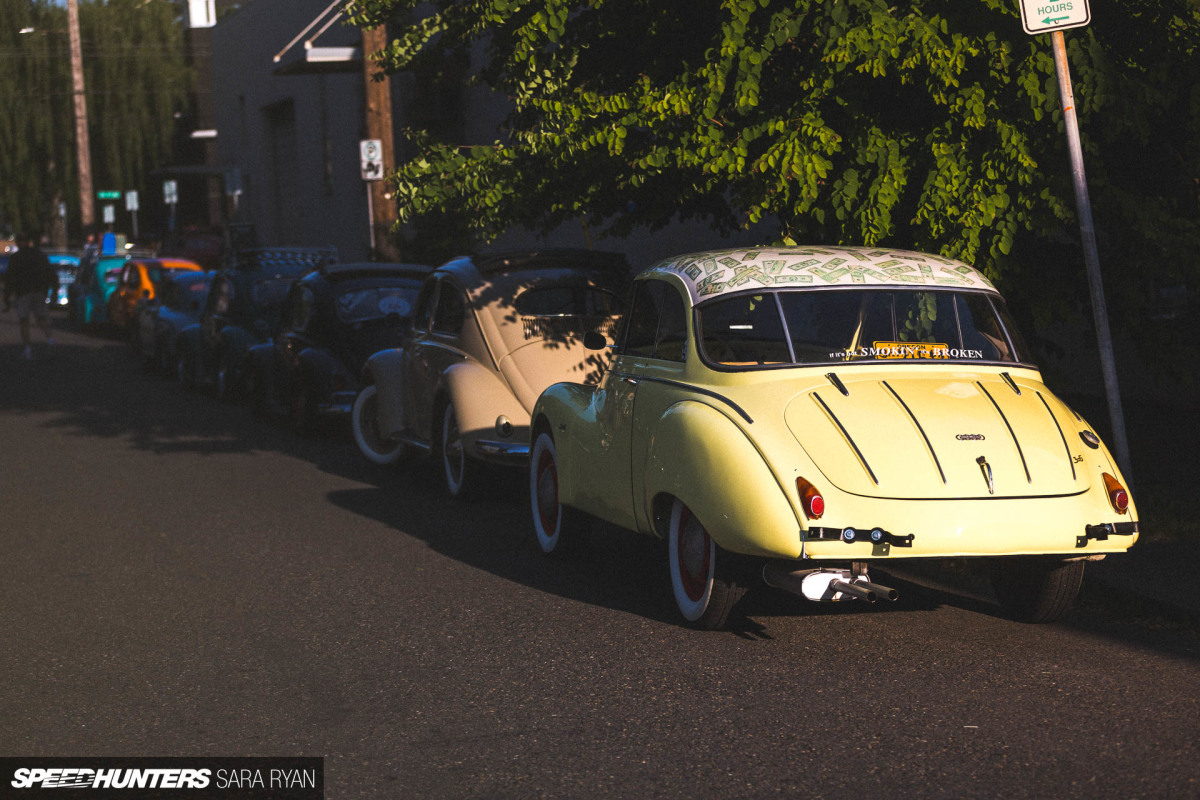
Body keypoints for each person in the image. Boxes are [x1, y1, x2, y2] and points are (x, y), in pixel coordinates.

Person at [5, 231, 57, 360]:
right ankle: (50, 340)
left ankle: (28, 350)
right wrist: (54, 288)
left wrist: (7, 296)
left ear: (18, 242)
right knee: (41, 318)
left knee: (24, 321)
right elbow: (50, 272)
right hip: (39, 291)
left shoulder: (16, 258)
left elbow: (10, 278)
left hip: (23, 292)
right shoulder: (39, 255)